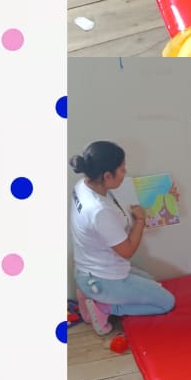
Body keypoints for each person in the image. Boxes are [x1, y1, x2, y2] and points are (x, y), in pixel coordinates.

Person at [69, 141, 176, 334]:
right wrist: (140, 221)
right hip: (101, 279)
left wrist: (164, 195)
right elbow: (127, 251)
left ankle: (89, 295)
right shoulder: (99, 211)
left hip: (88, 270)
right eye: (122, 169)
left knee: (152, 281)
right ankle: (104, 308)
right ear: (107, 176)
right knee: (166, 302)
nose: (125, 172)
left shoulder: (83, 185)